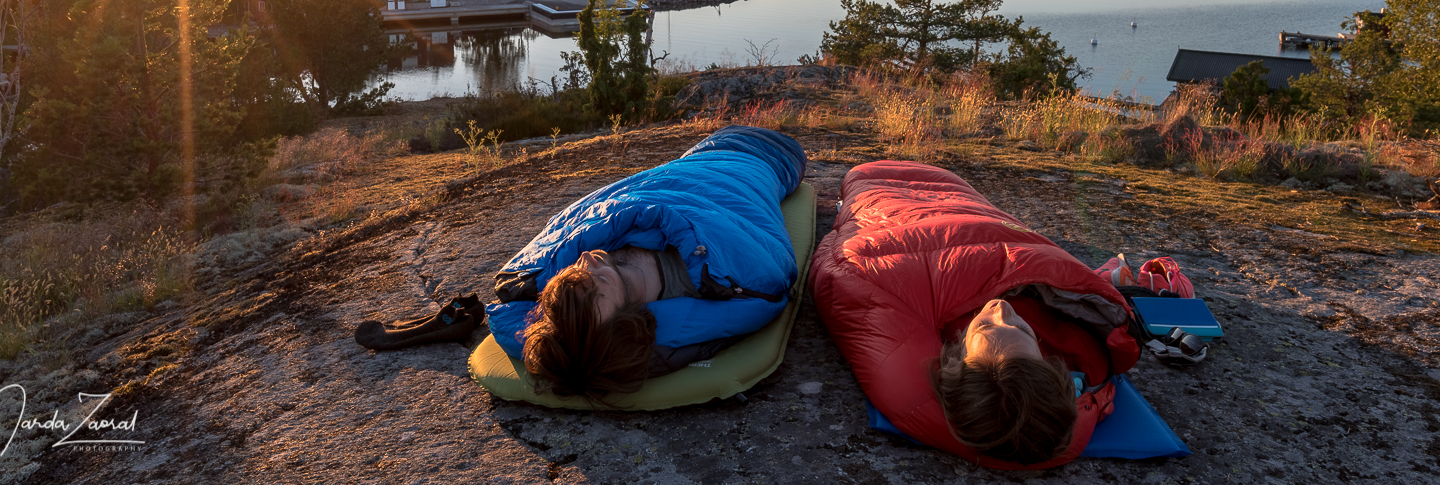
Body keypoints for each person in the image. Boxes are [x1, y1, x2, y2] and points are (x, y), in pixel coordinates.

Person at [808, 160, 1141, 469]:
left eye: (984, 326)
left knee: (861, 179)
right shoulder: (1081, 355)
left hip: (884, 197)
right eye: (1023, 331)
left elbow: (839, 267)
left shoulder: (922, 360)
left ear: (955, 358)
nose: (1000, 309)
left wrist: (843, 225)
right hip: (959, 201)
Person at [485, 125, 806, 403]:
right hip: (770, 158)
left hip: (698, 154)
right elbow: (773, 284)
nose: (584, 260)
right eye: (593, 284)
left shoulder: (583, 306)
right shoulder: (726, 283)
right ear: (630, 324)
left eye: (577, 275)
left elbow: (510, 306)